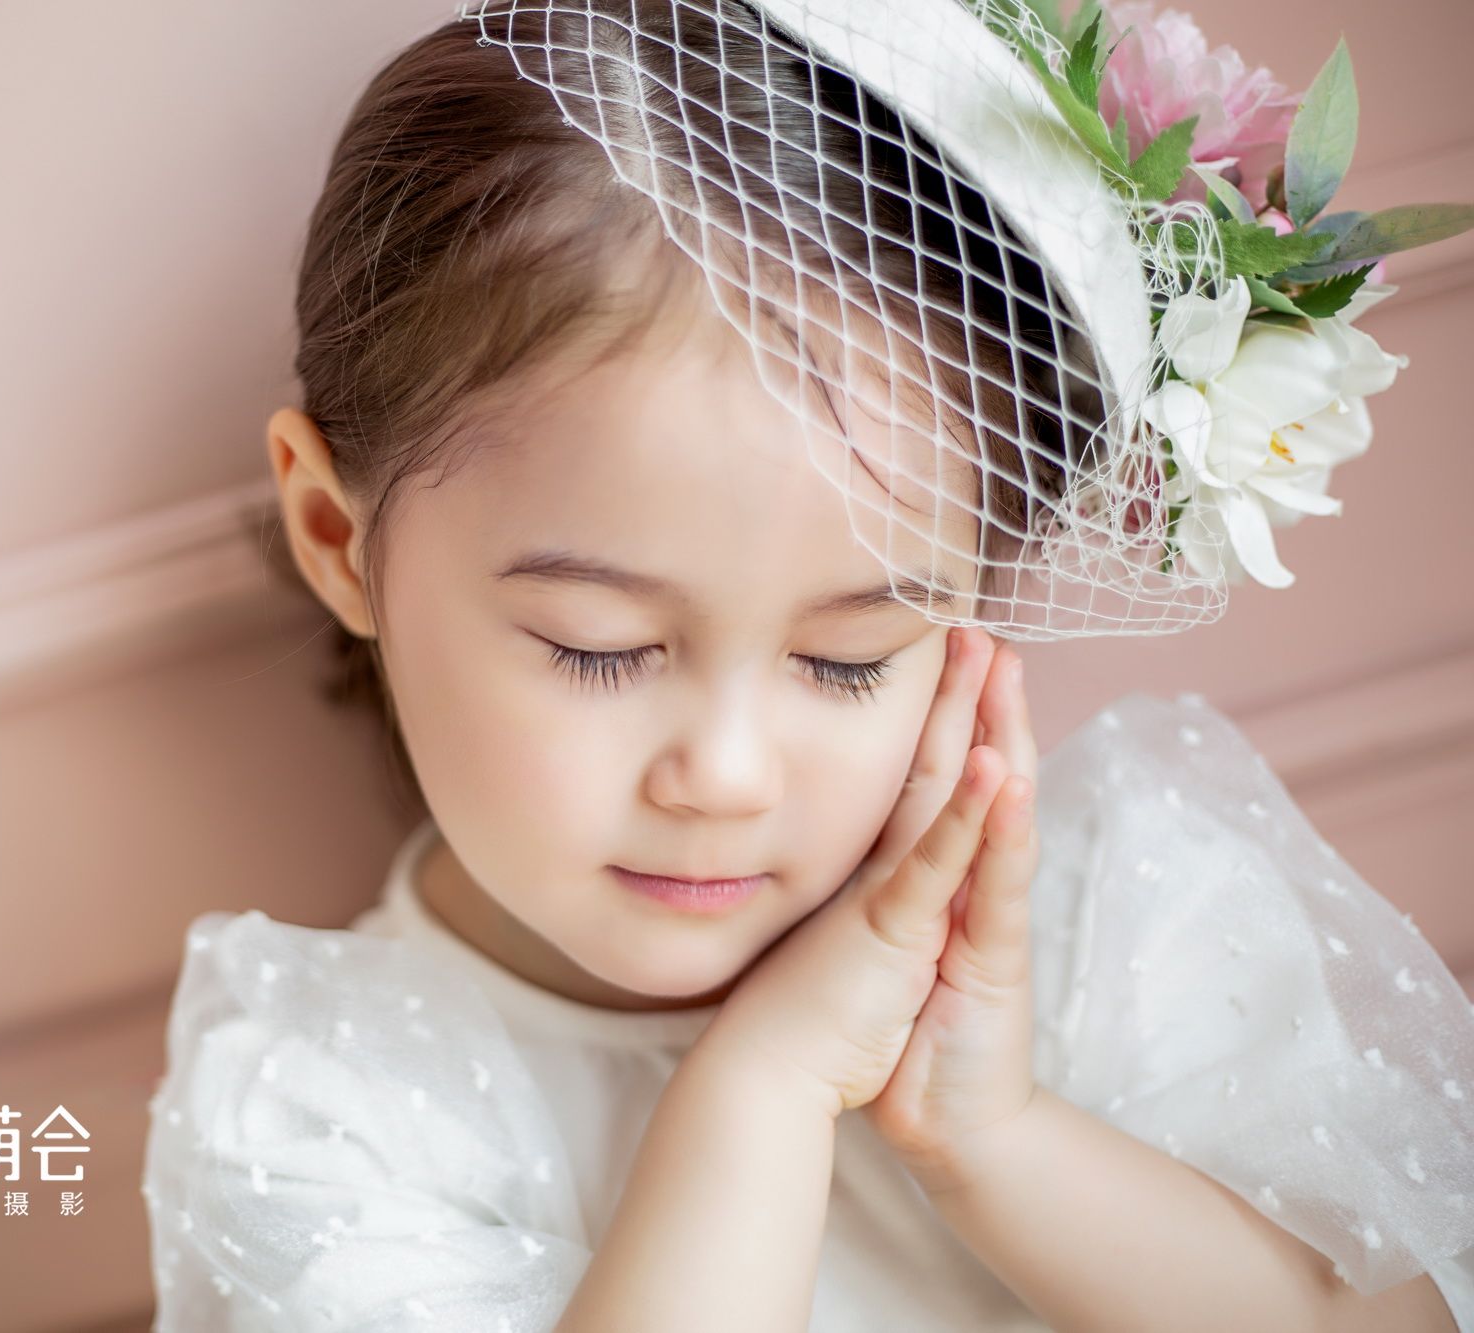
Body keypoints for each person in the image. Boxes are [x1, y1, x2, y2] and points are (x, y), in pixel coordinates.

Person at [141, 0, 1474, 1327]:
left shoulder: (1096, 922)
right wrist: (764, 1088)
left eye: (847, 660)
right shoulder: (321, 1112)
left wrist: (994, 1137)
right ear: (338, 535)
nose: (725, 776)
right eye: (600, 650)